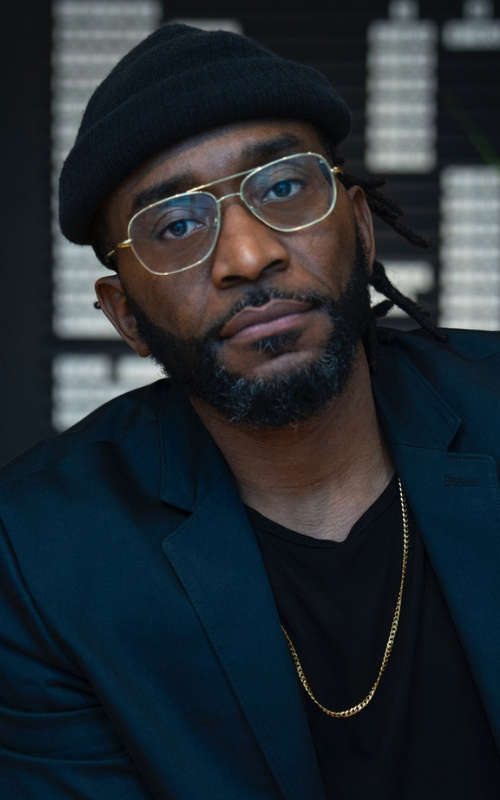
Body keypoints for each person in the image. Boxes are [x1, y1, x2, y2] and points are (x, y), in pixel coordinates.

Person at [0, 22, 499, 800]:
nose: (246, 256)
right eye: (175, 226)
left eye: (283, 188)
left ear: (362, 229)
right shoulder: (42, 555)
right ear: (125, 315)